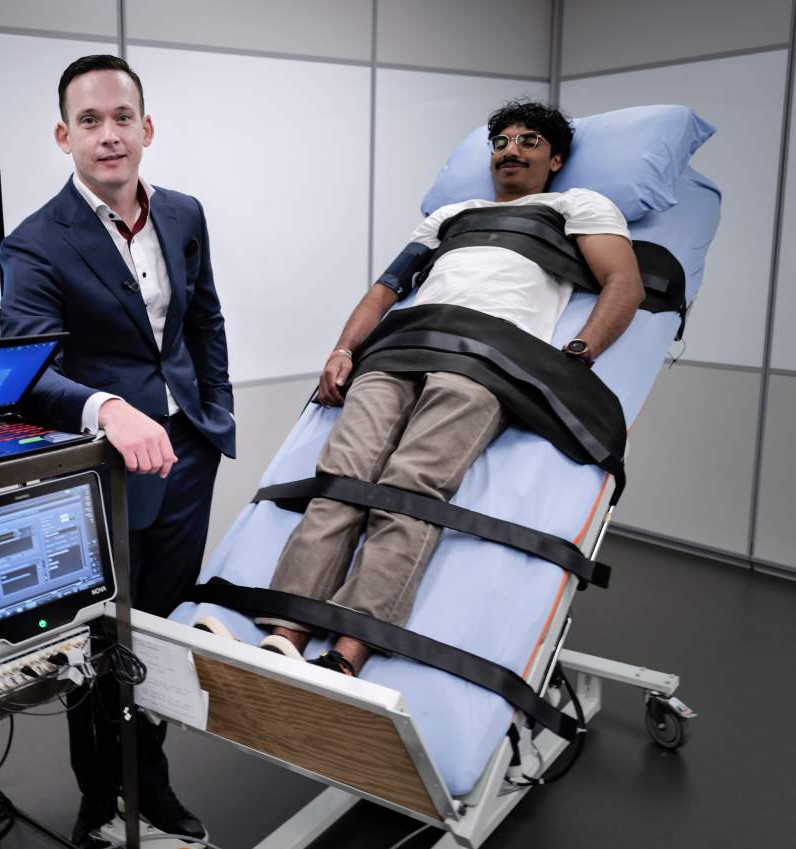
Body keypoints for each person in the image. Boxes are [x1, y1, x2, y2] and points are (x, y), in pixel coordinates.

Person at [252, 100, 643, 677]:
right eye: (502, 142)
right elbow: (385, 291)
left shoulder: (575, 206)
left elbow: (623, 284)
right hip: (398, 348)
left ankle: (349, 647)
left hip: (485, 358)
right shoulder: (451, 215)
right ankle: (287, 630)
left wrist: (580, 351)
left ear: (556, 159)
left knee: (412, 484)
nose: (511, 150)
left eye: (530, 141)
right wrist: (343, 350)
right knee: (344, 474)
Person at [0, 55, 234, 846]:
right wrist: (108, 409)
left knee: (160, 630)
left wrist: (214, 413)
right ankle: (102, 797)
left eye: (122, 117)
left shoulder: (185, 212)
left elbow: (204, 320)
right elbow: (31, 371)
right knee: (99, 643)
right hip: (100, 472)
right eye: (90, 121)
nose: (109, 135)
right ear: (64, 136)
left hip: (187, 458)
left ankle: (150, 783)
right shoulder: (35, 242)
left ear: (147, 127)